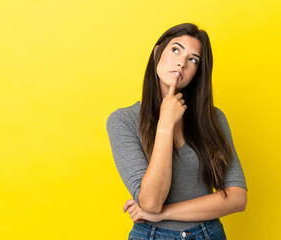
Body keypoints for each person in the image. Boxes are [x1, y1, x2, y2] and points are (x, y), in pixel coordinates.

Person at [106, 23, 248, 240]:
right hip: (152, 235)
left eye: (193, 59)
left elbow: (237, 198)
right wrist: (165, 124)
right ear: (157, 53)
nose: (181, 62)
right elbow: (151, 202)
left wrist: (164, 213)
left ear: (196, 72)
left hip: (208, 234)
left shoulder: (213, 119)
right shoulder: (122, 121)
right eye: (175, 50)